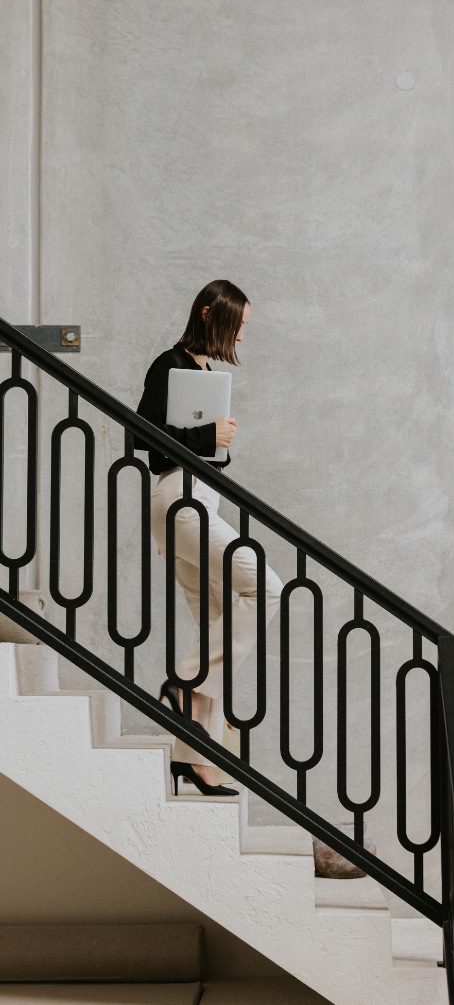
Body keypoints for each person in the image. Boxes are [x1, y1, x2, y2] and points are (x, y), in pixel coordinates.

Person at [136, 279, 283, 795]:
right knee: (266, 587)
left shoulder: (203, 374)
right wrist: (208, 436)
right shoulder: (170, 365)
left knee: (218, 624)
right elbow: (141, 435)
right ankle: (184, 681)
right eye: (237, 328)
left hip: (196, 501)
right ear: (208, 316)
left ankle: (191, 758)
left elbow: (190, 447)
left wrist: (218, 443)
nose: (241, 339)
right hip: (179, 500)